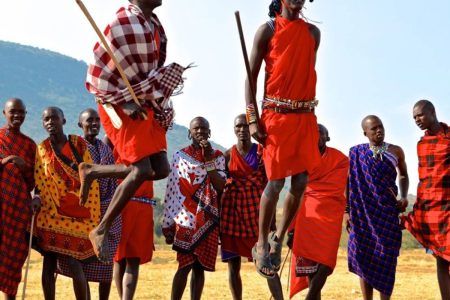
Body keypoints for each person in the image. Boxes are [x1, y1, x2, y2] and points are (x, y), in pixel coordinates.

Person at [80, 0, 187, 262]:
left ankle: (92, 171)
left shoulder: (154, 26)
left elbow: (147, 73)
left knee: (160, 168)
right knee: (140, 169)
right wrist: (125, 101)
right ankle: (100, 229)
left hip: (142, 102)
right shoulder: (124, 21)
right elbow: (101, 74)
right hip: (118, 103)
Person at [245, 0, 322, 277]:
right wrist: (252, 118)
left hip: (304, 115)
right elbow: (250, 80)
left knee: (301, 180)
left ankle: (278, 237)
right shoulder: (266, 30)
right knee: (276, 181)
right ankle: (262, 242)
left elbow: (302, 73)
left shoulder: (313, 33)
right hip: (275, 116)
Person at [34, 107, 101, 300]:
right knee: (49, 261)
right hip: (51, 213)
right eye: (46, 119)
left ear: (64, 121)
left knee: (74, 262)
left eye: (54, 118)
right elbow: (40, 181)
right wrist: (37, 199)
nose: (50, 122)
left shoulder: (77, 144)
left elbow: (89, 175)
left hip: (77, 212)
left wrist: (79, 200)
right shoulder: (42, 149)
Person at [56, 109, 121, 300]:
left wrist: (107, 209)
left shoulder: (106, 149)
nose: (93, 124)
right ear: (79, 125)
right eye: (88, 120)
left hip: (106, 208)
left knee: (105, 262)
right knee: (78, 261)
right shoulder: (73, 147)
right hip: (80, 211)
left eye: (96, 120)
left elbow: (112, 183)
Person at [220, 114, 283, 300]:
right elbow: (220, 185)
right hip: (232, 215)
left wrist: (271, 222)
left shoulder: (261, 152)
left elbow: (271, 187)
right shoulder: (227, 156)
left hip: (258, 215)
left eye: (246, 126)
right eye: (238, 126)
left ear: (251, 129)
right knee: (233, 266)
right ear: (234, 129)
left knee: (267, 262)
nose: (242, 130)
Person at [162, 117, 226, 300]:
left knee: (199, 268)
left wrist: (208, 160)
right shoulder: (179, 157)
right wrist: (168, 222)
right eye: (196, 129)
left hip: (207, 219)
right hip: (184, 218)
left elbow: (220, 185)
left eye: (204, 129)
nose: (200, 132)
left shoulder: (218, 156)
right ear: (190, 133)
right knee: (184, 266)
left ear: (209, 132)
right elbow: (172, 191)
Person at [347, 115, 409, 300]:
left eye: (380, 126)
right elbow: (348, 183)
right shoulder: (356, 153)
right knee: (364, 257)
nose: (378, 130)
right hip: (362, 215)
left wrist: (404, 197)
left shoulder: (396, 151)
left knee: (387, 259)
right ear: (365, 132)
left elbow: (403, 175)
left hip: (387, 214)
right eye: (373, 128)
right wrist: (346, 211)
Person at [288, 124, 349, 300]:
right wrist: (291, 228)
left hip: (330, 216)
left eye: (320, 134)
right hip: (307, 216)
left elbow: (342, 186)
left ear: (327, 138)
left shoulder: (340, 159)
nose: (316, 137)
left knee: (326, 261)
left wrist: (348, 211)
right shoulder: (300, 160)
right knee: (309, 267)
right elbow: (295, 192)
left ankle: (310, 297)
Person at [403, 100, 450, 300]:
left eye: (420, 115)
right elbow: (425, 179)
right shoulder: (422, 145)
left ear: (432, 112)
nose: (417, 120)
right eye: (414, 118)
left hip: (448, 206)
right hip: (432, 208)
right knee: (440, 260)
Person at [0, 98, 36, 300]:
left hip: (17, 212)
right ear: (4, 113)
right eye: (13, 112)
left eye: (21, 112)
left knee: (13, 258)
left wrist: (23, 167)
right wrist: (8, 161)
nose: (17, 116)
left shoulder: (30, 145)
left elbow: (33, 182)